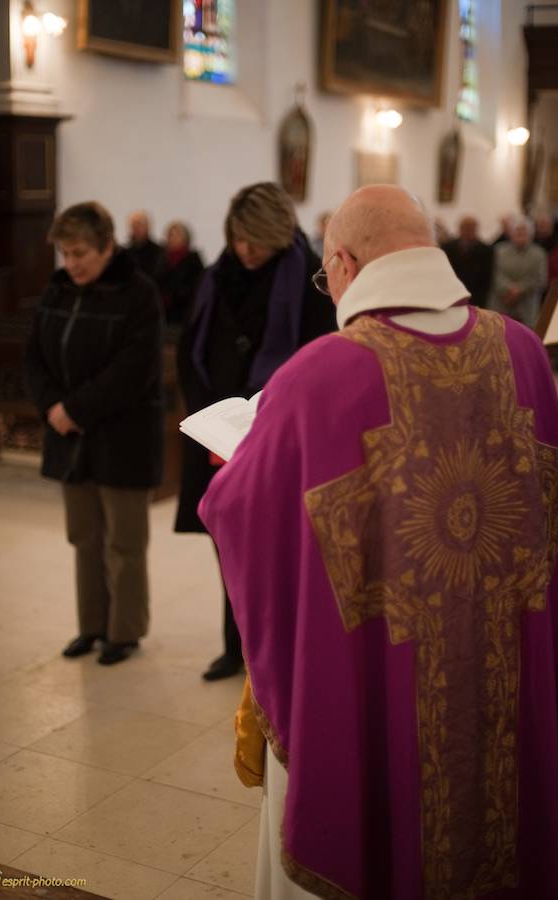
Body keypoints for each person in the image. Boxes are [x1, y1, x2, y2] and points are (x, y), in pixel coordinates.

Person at [199, 185, 558, 899]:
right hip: (501, 666)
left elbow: (241, 512)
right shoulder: (522, 353)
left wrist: (244, 472)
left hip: (386, 669)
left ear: (340, 263)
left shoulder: (315, 375)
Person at [175, 181, 336, 682]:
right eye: (240, 238)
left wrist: (264, 415)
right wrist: (209, 416)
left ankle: (278, 651)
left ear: (281, 234)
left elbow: (318, 359)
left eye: (258, 241)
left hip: (277, 435)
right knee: (228, 542)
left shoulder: (309, 283)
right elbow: (189, 349)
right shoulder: (215, 276)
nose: (247, 250)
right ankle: (235, 646)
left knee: (277, 547)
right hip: (216, 433)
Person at [26, 202, 164, 666]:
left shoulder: (138, 292)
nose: (72, 263)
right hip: (69, 434)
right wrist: (52, 407)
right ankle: (91, 626)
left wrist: (76, 408)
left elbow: (135, 369)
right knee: (83, 536)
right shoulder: (58, 290)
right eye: (65, 253)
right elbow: (35, 358)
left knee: (123, 541)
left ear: (107, 245)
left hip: (123, 433)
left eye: (80, 252)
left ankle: (123, 633)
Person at [489, 216, 547, 328]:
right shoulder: (499, 250)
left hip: (527, 308)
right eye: (517, 231)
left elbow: (540, 279)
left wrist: (519, 290)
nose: (520, 234)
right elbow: (494, 274)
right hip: (501, 302)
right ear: (511, 233)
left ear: (531, 234)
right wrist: (508, 289)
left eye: (524, 231)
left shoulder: (539, 253)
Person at [155, 220, 204, 326]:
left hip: (185, 313)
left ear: (186, 238)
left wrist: (176, 295)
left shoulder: (193, 260)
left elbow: (197, 286)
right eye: (170, 235)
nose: (173, 238)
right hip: (164, 314)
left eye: (177, 235)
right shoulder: (161, 258)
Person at [442, 214, 493, 308]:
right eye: (465, 228)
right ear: (460, 229)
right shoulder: (447, 248)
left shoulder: (486, 250)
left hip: (476, 297)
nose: (468, 231)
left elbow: (487, 278)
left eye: (471, 228)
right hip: (453, 295)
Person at [125, 210, 162, 279]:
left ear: (148, 227)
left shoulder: (159, 252)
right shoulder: (126, 253)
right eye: (134, 226)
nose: (136, 229)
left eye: (139, 225)